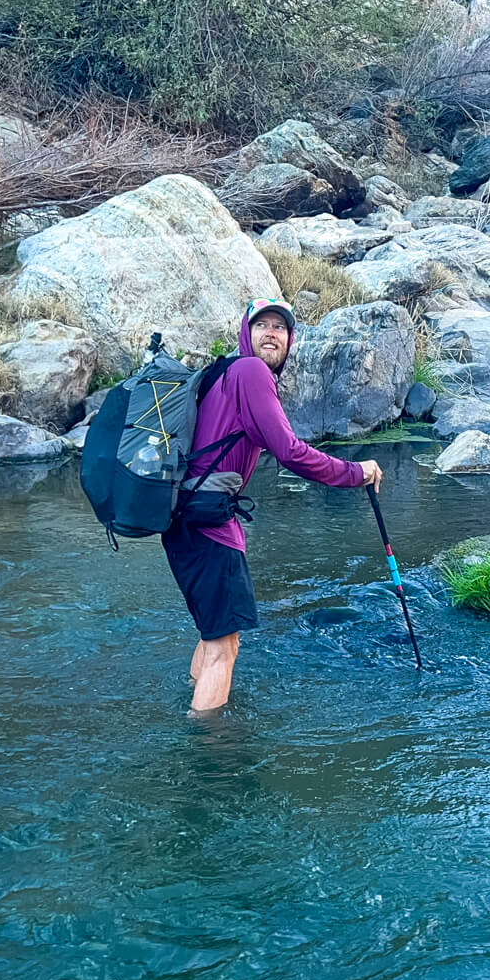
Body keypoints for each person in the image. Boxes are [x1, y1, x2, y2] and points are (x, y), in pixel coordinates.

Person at [166, 297, 381, 713]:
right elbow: (290, 451)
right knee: (224, 647)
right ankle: (209, 753)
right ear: (245, 335)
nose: (270, 333)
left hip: (185, 516)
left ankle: (193, 701)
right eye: (261, 325)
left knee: (216, 635)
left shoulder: (223, 373)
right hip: (208, 522)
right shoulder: (250, 371)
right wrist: (356, 472)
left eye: (279, 327)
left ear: (290, 339)